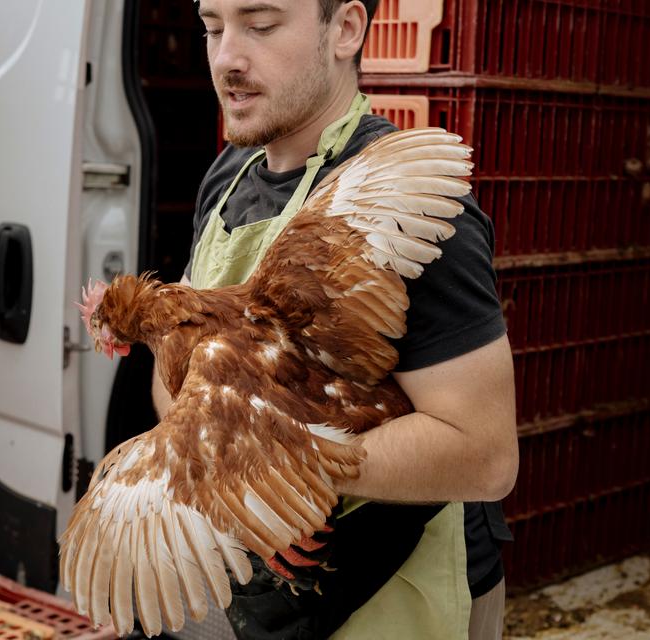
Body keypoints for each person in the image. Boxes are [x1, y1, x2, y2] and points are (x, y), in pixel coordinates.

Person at [149, 1, 520, 638]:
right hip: (268, 582)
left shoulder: (403, 201)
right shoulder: (227, 178)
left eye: (261, 26)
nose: (226, 59)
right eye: (212, 29)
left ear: (345, 30)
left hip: (396, 595)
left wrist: (279, 471)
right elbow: (179, 370)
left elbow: (484, 455)